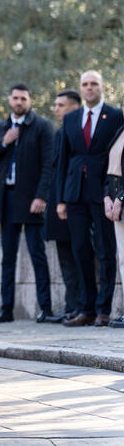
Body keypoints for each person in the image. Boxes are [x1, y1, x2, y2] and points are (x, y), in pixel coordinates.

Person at [0, 84, 58, 323]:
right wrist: (4, 142)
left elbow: (49, 164)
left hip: (31, 199)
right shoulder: (2, 127)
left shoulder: (42, 126)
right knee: (8, 257)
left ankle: (45, 309)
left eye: (23, 98)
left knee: (38, 255)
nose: (19, 102)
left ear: (29, 101)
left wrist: (42, 196)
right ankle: (6, 309)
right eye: (15, 98)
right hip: (7, 199)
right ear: (10, 100)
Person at [56, 71, 123, 327]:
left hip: (102, 192)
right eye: (85, 84)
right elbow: (63, 159)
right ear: (81, 88)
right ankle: (86, 309)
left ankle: (103, 310)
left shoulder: (114, 115)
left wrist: (113, 192)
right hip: (74, 193)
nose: (89, 88)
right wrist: (61, 199)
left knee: (105, 250)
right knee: (80, 249)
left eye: (94, 84)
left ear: (102, 87)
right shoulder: (71, 118)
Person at [46, 89, 83, 322]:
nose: (56, 109)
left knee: (77, 256)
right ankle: (71, 306)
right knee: (65, 256)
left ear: (74, 108)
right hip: (58, 202)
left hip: (72, 202)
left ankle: (79, 306)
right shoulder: (60, 132)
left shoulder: (76, 134)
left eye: (61, 105)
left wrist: (64, 201)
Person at [101, 124, 124, 328]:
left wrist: (121, 197)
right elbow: (110, 170)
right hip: (115, 200)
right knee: (123, 259)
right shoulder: (119, 131)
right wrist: (107, 196)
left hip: (121, 199)